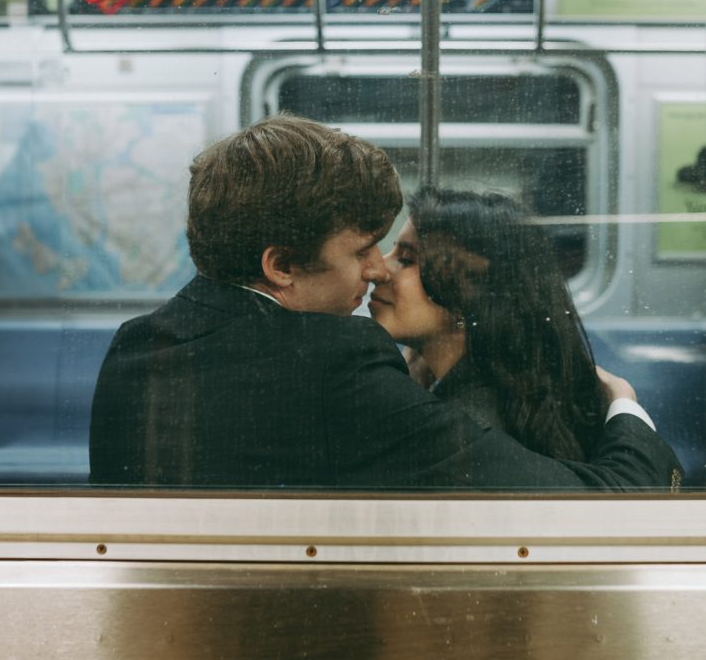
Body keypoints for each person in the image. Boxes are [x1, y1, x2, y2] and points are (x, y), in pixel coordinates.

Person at [89, 115, 681, 491]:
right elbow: (599, 503)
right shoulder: (334, 363)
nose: (375, 272)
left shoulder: (137, 345)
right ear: (281, 266)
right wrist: (625, 407)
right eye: (362, 251)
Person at [369, 187, 651, 465]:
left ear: (465, 296)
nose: (378, 269)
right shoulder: (496, 397)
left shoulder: (467, 428)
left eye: (406, 260)